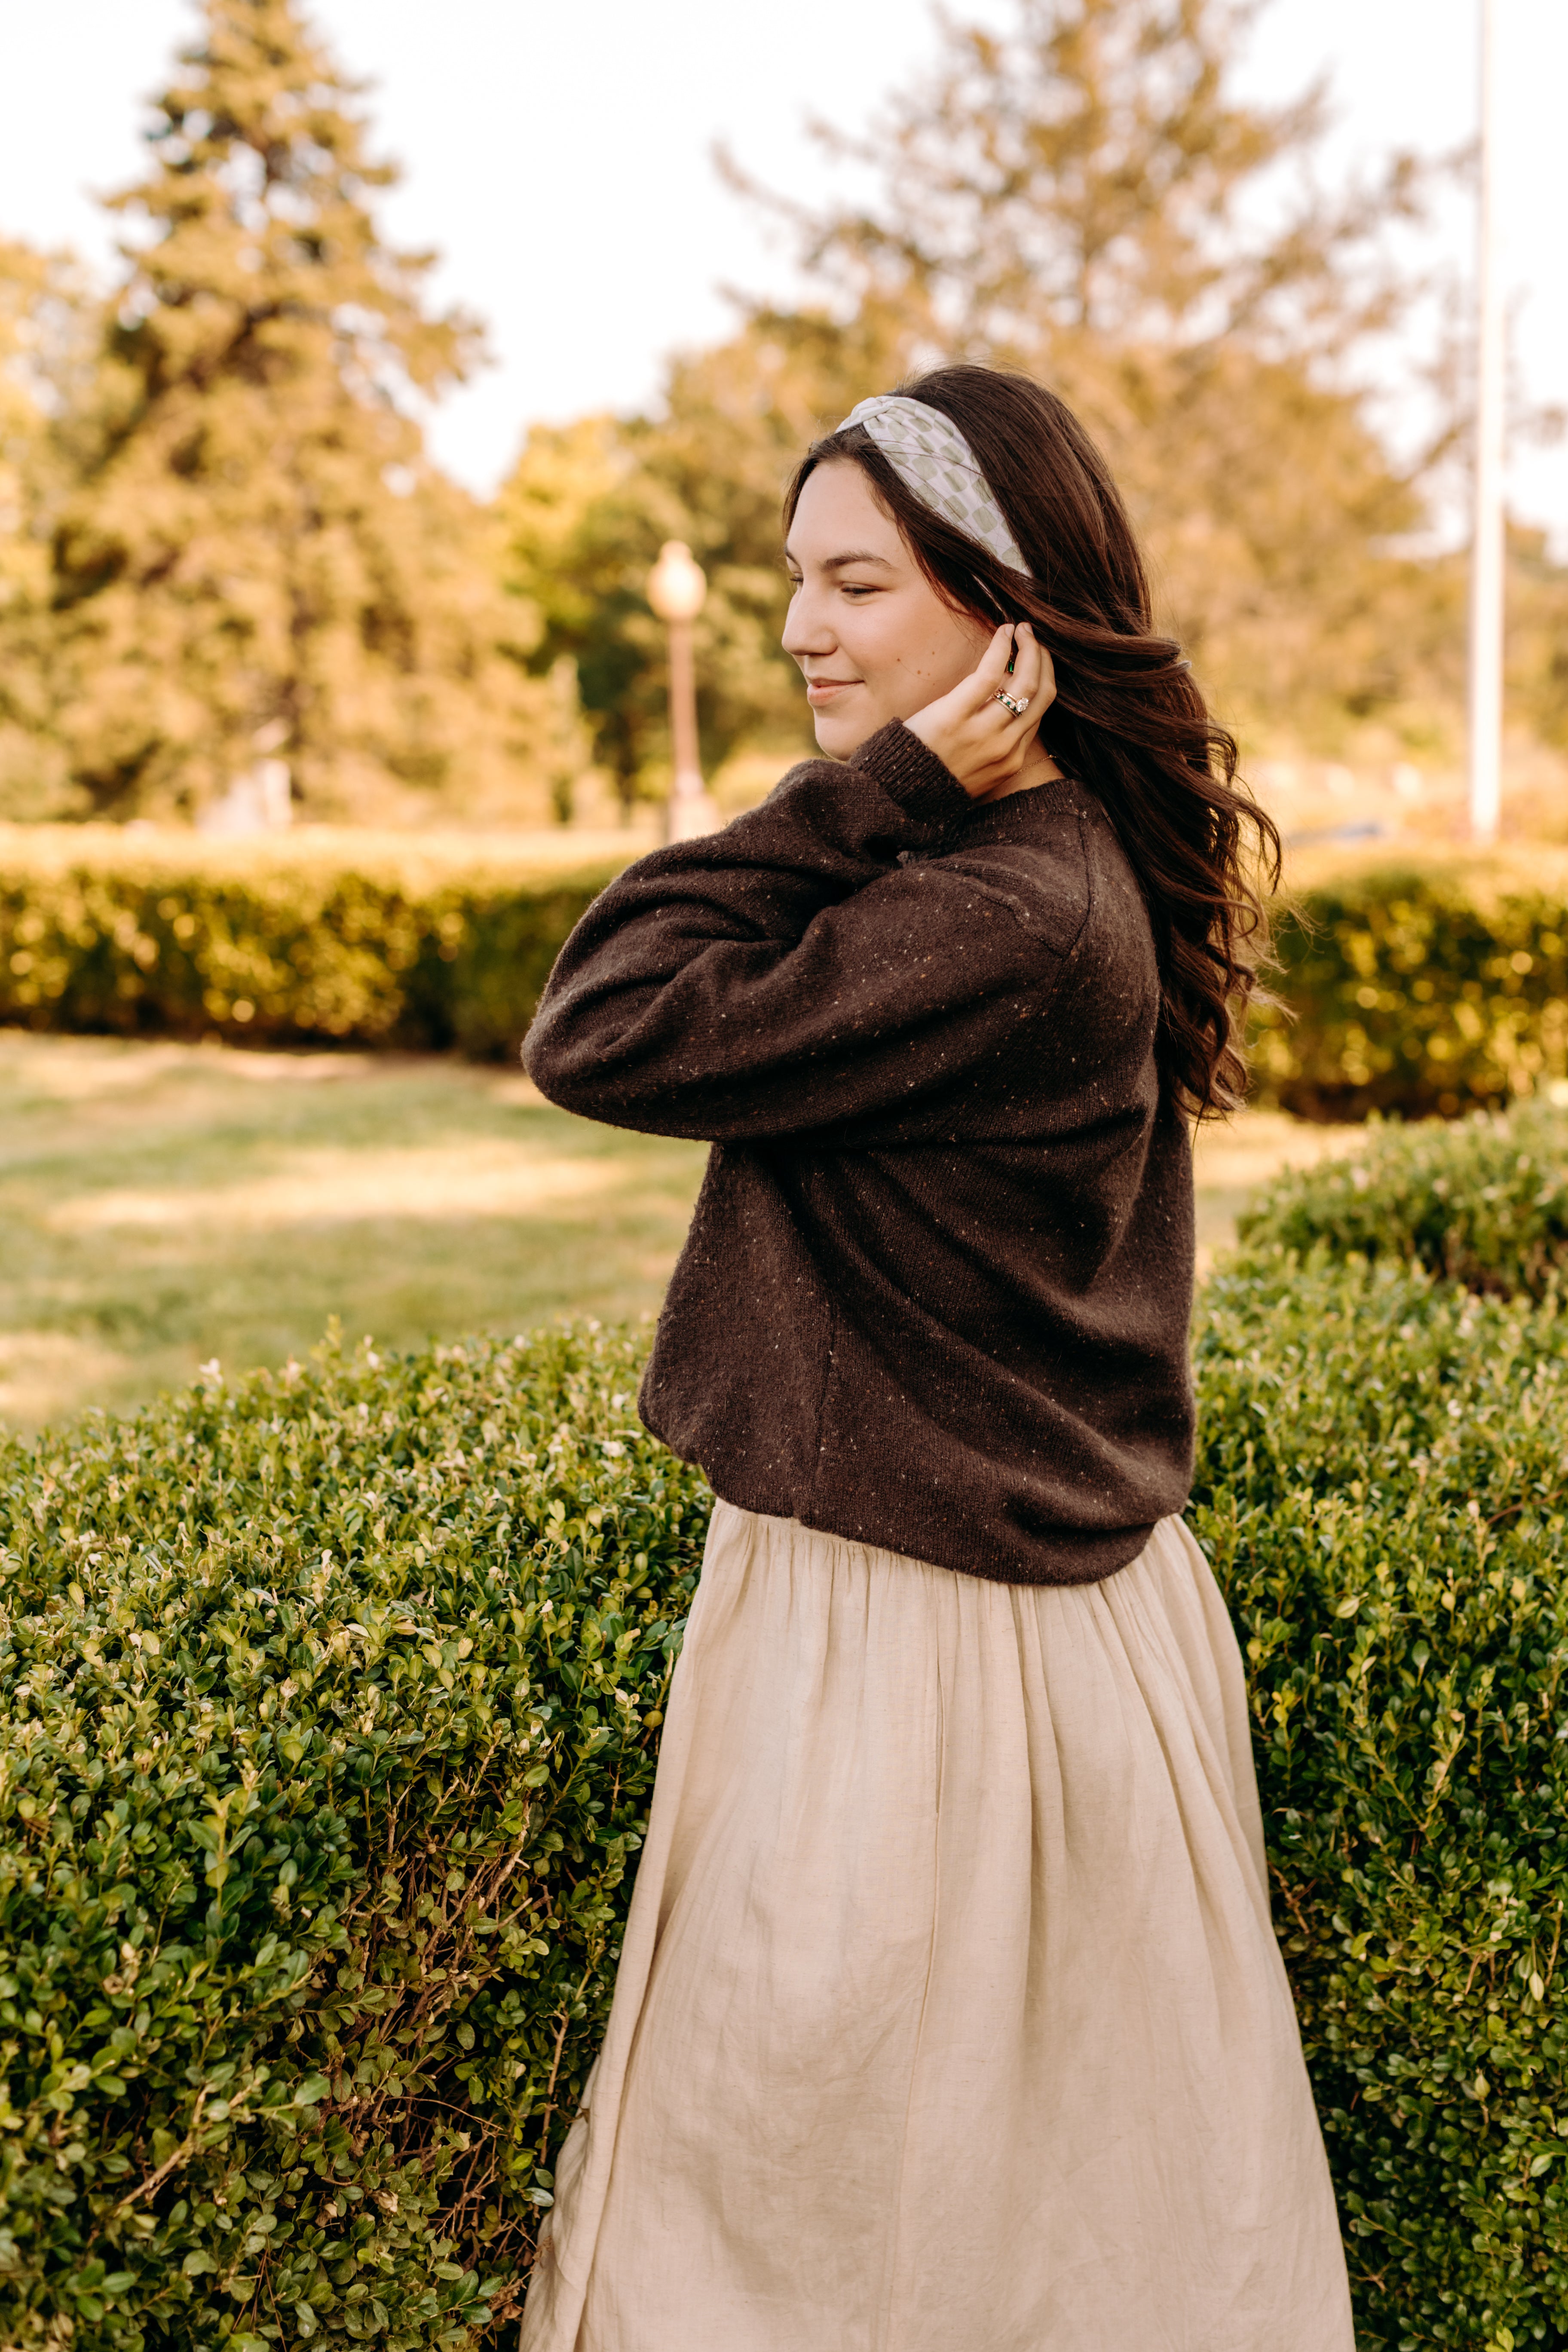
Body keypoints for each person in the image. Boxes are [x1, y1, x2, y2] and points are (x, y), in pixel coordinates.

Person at [518, 365, 1354, 2352]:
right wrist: (903, 792)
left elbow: (604, 1019)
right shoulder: (1032, 857)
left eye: (859, 583)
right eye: (793, 578)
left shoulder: (1003, 907)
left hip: (925, 1648)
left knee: (842, 2227)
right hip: (998, 1608)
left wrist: (876, 787)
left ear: (1008, 612)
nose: (801, 627)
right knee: (1035, 2222)